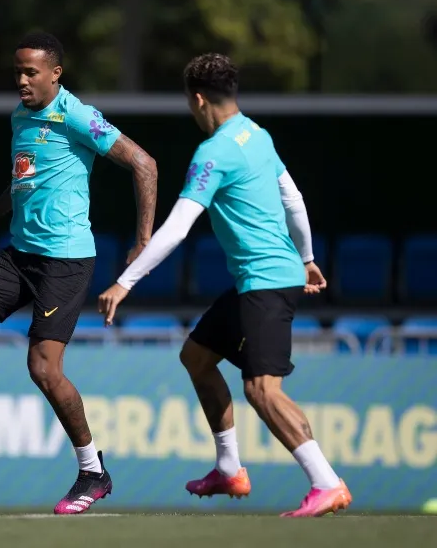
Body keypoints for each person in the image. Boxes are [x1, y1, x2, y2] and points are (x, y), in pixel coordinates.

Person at [97, 53, 353, 518]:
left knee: (261, 390)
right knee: (196, 356)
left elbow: (176, 228)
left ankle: (326, 482)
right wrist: (308, 257)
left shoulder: (212, 153)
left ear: (197, 99)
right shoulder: (257, 134)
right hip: (267, 276)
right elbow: (293, 199)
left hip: (265, 281)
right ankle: (230, 467)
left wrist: (125, 282)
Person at [0, 32, 159, 515]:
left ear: (56, 74)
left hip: (64, 262)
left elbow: (143, 163)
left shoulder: (76, 115)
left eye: (31, 72)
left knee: (44, 369)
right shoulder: (20, 118)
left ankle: (93, 471)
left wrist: (144, 239)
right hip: (19, 254)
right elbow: (23, 181)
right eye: (17, 72)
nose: (23, 80)